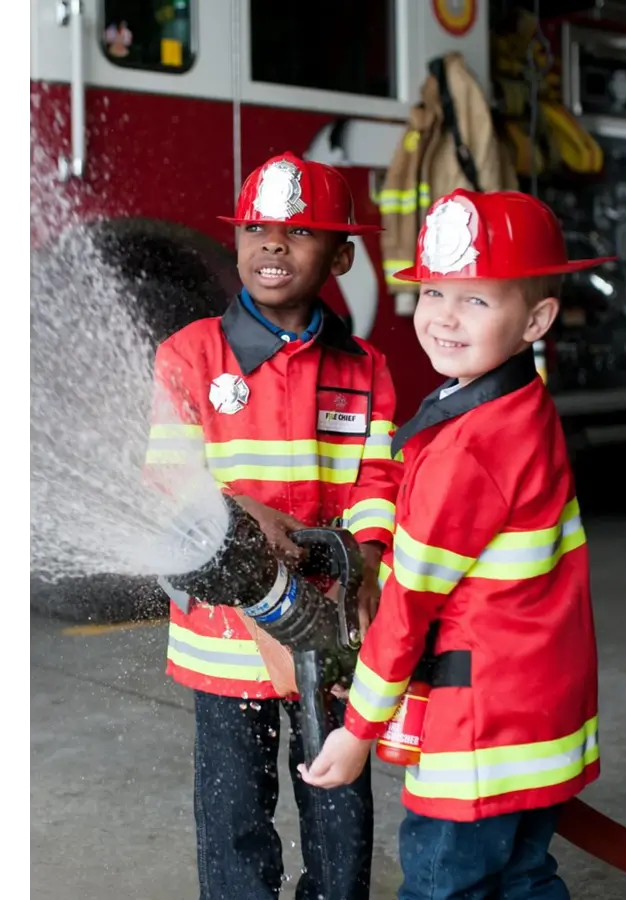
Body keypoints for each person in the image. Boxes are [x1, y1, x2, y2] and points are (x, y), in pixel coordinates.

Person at [299, 188, 612, 900]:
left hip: (479, 733)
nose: (443, 316)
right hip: (539, 714)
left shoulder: (468, 448)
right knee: (523, 877)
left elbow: (411, 603)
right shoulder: (520, 404)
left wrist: (357, 730)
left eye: (475, 299)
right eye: (434, 291)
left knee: (445, 885)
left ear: (537, 319)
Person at [145, 151, 402, 900]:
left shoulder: (365, 368)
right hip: (225, 643)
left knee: (338, 805)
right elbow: (167, 477)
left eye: (300, 232)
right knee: (234, 818)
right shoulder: (189, 356)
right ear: (236, 242)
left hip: (330, 628)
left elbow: (378, 481)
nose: (273, 245)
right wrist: (237, 509)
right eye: (255, 229)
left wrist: (367, 563)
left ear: (342, 256)